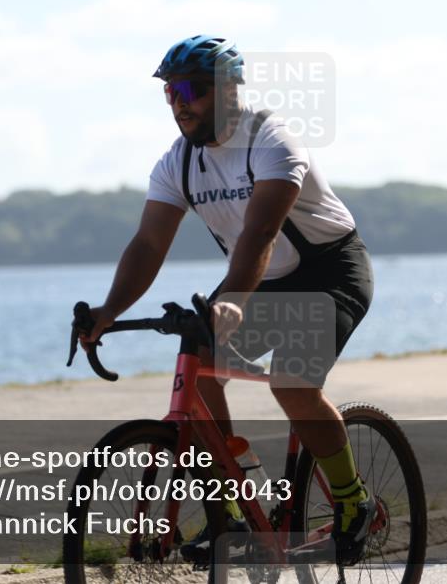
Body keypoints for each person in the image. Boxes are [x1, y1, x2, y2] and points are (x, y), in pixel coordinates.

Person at [80, 35, 376, 564]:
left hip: (328, 272)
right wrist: (107, 312)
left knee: (292, 383)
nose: (179, 104)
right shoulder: (178, 163)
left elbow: (261, 232)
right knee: (200, 361)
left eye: (191, 90)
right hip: (260, 277)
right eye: (170, 93)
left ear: (229, 90)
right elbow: (148, 245)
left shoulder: (272, 140)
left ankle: (353, 501)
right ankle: (237, 507)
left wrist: (235, 299)